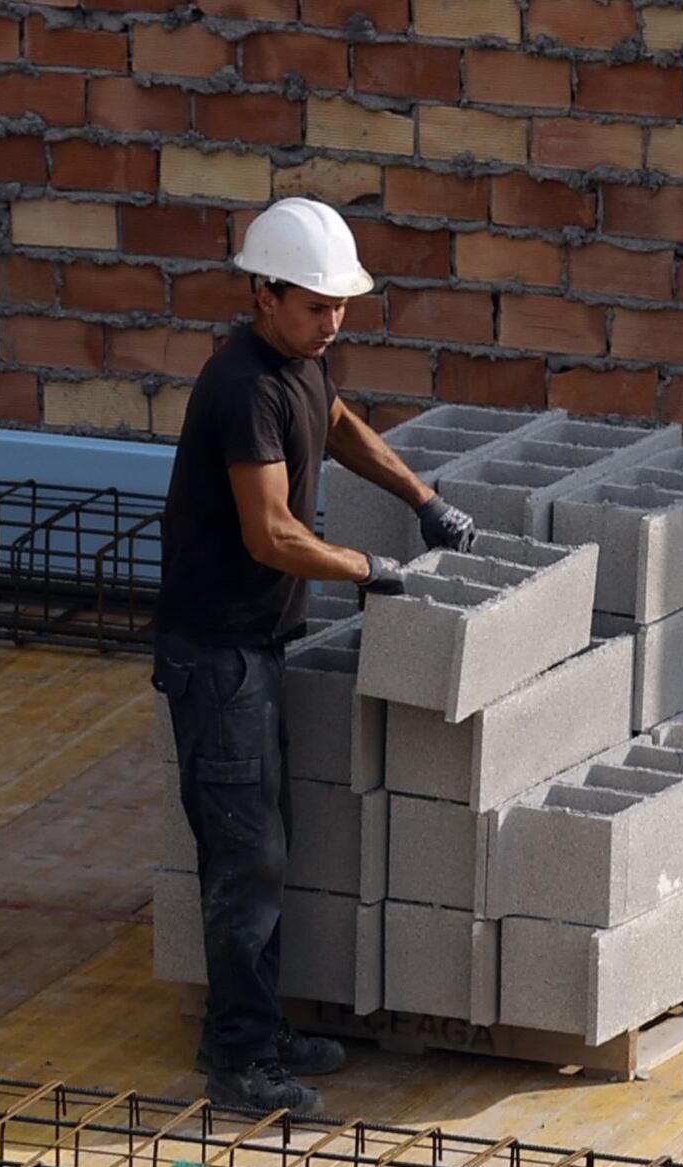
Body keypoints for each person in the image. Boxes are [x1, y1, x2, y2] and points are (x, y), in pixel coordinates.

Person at [158, 195, 466, 1117]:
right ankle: (242, 1062)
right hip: (217, 658)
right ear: (263, 294)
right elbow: (272, 535)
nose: (332, 323)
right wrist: (371, 569)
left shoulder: (299, 369)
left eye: (341, 307)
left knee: (263, 845)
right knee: (243, 860)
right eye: (314, 306)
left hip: (255, 649)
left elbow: (338, 426)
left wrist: (424, 499)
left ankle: (259, 1027)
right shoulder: (243, 385)